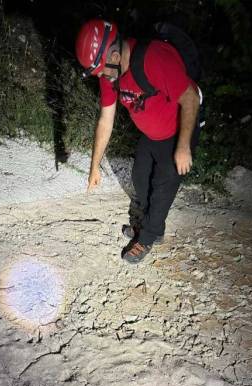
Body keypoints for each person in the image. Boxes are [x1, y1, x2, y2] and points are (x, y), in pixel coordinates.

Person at [75, 19, 203, 263]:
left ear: (113, 52)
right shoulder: (111, 73)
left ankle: (149, 237)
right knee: (140, 178)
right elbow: (106, 120)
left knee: (162, 188)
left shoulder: (153, 59)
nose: (101, 76)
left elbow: (190, 99)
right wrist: (94, 167)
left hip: (178, 131)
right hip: (152, 134)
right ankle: (147, 226)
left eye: (100, 70)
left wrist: (184, 145)